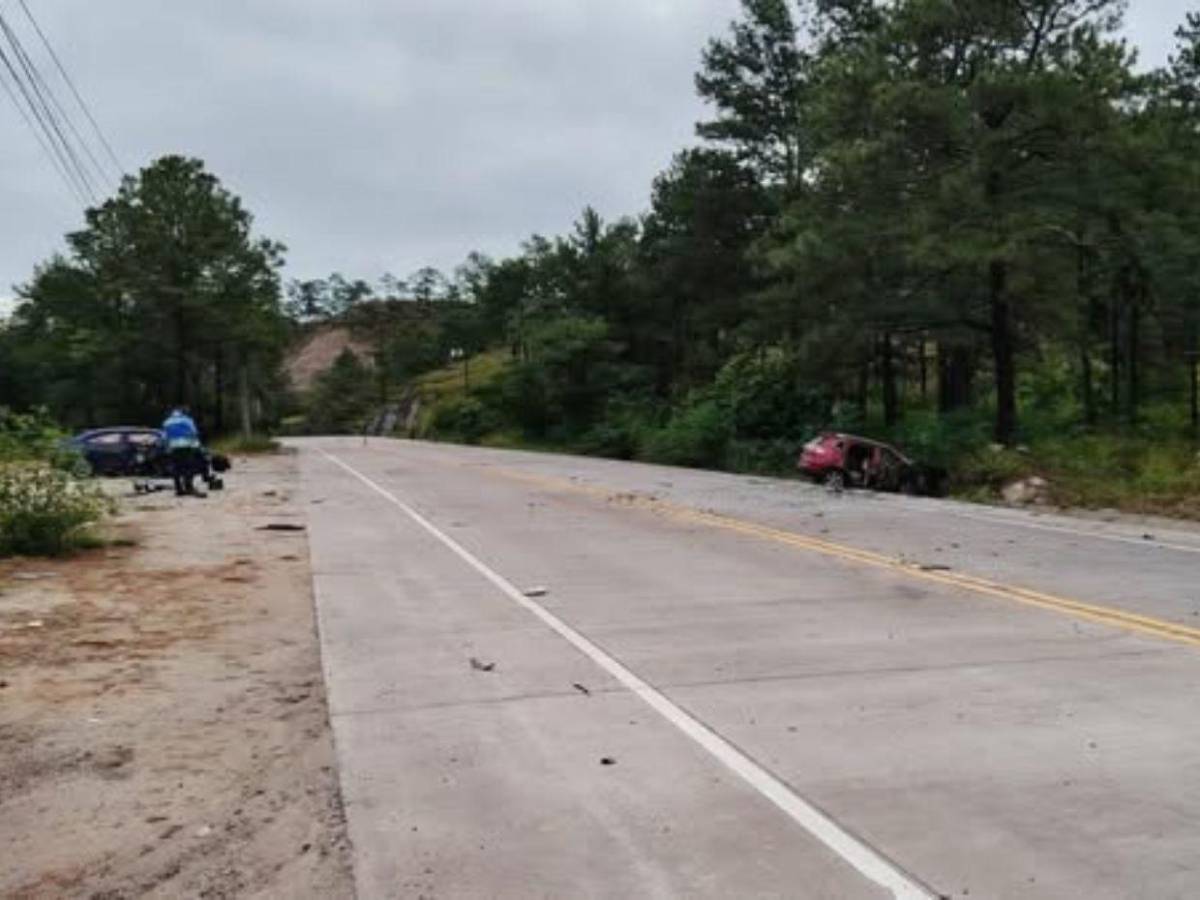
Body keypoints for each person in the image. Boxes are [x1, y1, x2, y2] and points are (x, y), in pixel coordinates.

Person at [162, 407, 204, 496]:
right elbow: (194, 432)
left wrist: (167, 448)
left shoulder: (167, 422)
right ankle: (189, 487)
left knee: (176, 468)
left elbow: (164, 437)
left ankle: (179, 489)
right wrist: (197, 446)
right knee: (189, 467)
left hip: (173, 448)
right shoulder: (187, 420)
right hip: (187, 446)